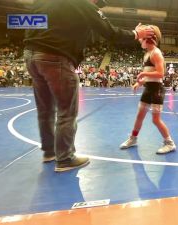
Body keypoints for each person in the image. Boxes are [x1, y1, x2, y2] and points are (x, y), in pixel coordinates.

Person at [24, 0, 155, 172]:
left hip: (31, 55)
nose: (97, 5)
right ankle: (65, 158)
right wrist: (135, 33)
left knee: (45, 109)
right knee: (66, 111)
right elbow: (111, 33)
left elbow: (28, 23)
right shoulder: (83, 4)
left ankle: (49, 152)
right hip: (55, 57)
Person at [120, 25, 176, 154]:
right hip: (148, 88)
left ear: (148, 39)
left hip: (156, 89)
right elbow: (149, 73)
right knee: (139, 116)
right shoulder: (147, 54)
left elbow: (161, 74)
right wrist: (139, 83)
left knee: (155, 119)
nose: (139, 40)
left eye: (141, 38)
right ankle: (133, 139)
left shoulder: (156, 53)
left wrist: (143, 75)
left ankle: (170, 143)